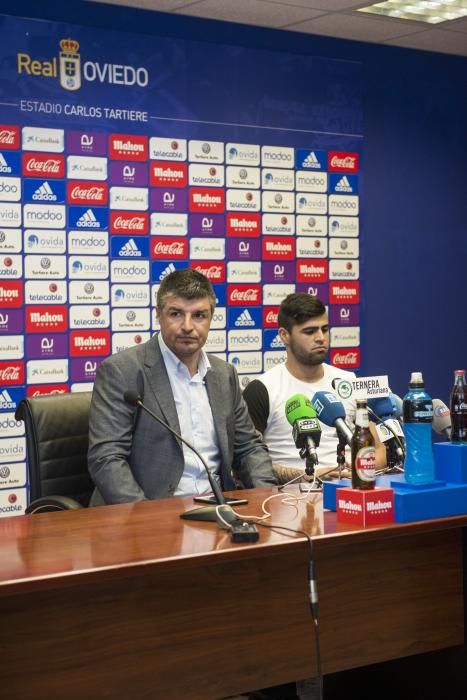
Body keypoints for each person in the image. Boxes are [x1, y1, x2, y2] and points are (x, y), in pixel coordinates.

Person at [88, 269, 276, 505]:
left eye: (199, 315)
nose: (187, 326)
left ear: (210, 318)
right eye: (176, 314)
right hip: (148, 513)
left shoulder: (223, 374)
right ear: (159, 314)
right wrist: (146, 517)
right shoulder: (122, 371)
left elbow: (249, 448)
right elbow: (107, 459)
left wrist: (268, 499)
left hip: (218, 509)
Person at [243, 293, 386, 483]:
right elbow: (247, 462)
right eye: (310, 332)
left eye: (325, 329)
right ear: (284, 336)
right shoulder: (262, 389)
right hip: (292, 498)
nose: (320, 338)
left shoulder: (348, 381)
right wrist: (307, 476)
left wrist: (357, 467)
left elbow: (379, 449)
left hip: (352, 487)